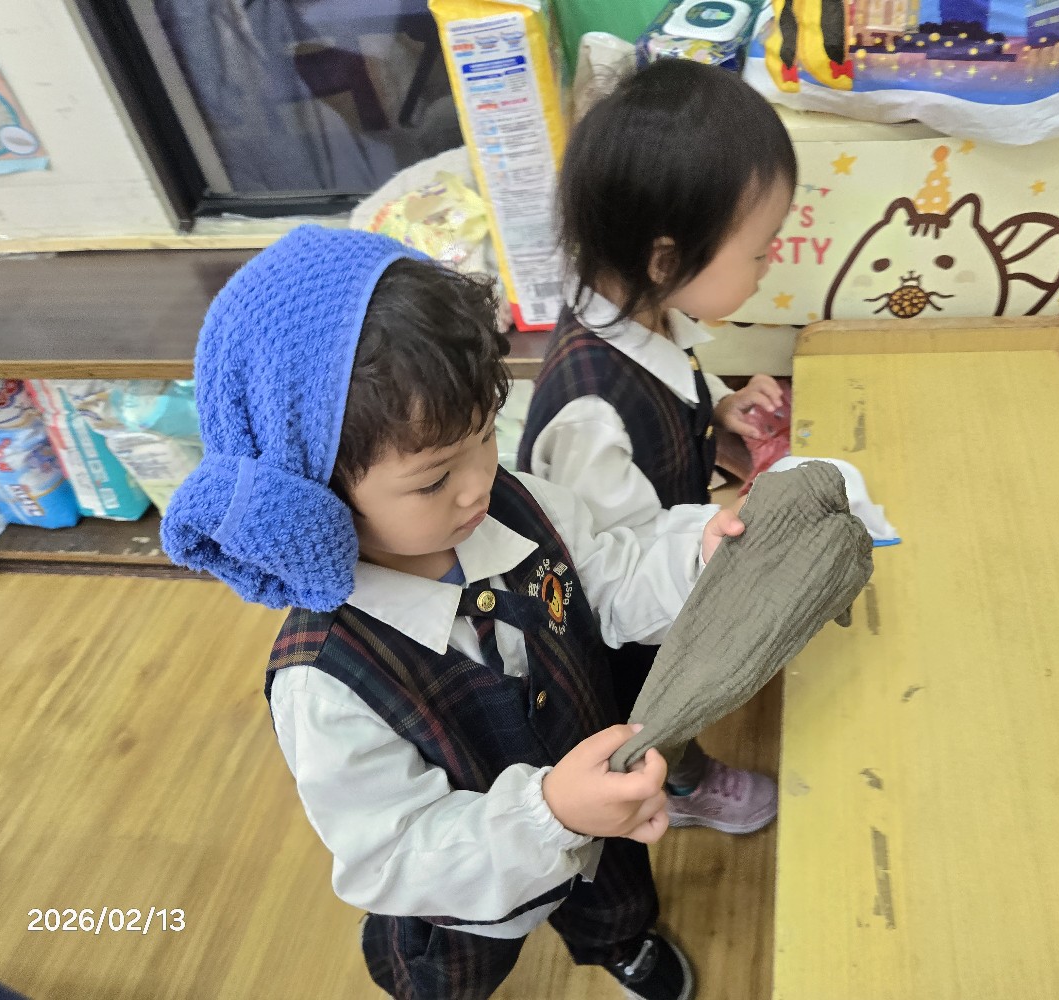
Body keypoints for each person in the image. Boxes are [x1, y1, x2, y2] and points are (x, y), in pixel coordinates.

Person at [161, 226, 749, 1000]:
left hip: (596, 809)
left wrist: (695, 553)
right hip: (466, 896)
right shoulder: (322, 683)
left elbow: (611, 572)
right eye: (433, 478)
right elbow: (395, 855)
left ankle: (620, 941)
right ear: (312, 497)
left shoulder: (517, 504)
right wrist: (548, 814)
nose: (478, 483)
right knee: (451, 971)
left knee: (614, 893)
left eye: (484, 435)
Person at [518, 60, 797, 834]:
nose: (770, 264)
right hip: (624, 627)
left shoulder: (646, 316)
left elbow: (676, 385)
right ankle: (680, 783)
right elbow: (610, 585)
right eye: (760, 251)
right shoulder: (589, 414)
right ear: (666, 260)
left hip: (664, 547)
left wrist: (723, 410)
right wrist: (707, 557)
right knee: (653, 706)